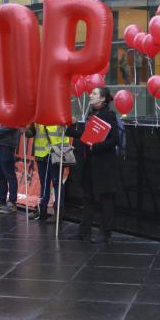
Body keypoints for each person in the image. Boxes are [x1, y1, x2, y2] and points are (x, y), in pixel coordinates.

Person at [67, 87, 120, 244]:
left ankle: (105, 233)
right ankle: (84, 231)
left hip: (104, 166)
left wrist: (96, 146)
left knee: (106, 199)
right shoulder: (91, 114)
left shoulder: (109, 116)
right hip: (89, 164)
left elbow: (114, 139)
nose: (91, 95)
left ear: (103, 99)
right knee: (87, 198)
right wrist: (70, 127)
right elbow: (85, 135)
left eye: (95, 94)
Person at [27, 123, 68, 222]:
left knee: (57, 183)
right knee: (44, 184)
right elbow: (31, 132)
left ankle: (58, 213)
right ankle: (42, 210)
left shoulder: (59, 110)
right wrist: (26, 130)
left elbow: (67, 129)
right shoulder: (38, 112)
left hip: (56, 152)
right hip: (41, 153)